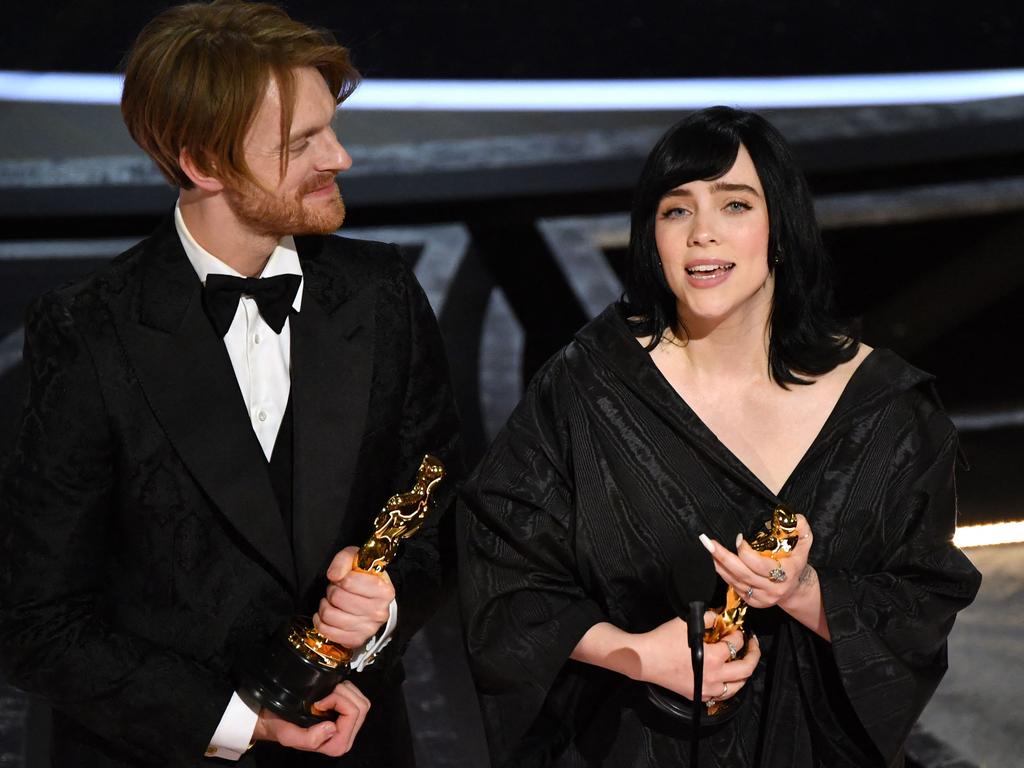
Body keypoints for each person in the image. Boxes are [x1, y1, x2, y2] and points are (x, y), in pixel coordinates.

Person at [0, 2, 460, 766]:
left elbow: (437, 513)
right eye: (302, 142)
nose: (340, 158)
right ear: (202, 164)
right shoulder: (86, 334)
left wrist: (380, 615)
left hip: (360, 742)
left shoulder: (381, 294)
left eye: (331, 128)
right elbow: (35, 619)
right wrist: (240, 719)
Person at [458, 106, 981, 767]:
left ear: (781, 230)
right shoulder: (589, 386)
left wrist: (803, 593)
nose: (702, 233)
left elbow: (921, 601)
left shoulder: (888, 410)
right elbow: (502, 574)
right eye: (676, 210)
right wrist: (639, 653)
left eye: (734, 205)